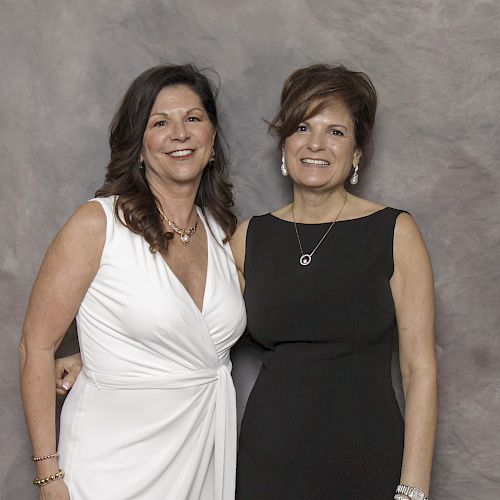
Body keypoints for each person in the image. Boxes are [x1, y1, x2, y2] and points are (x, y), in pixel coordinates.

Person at [19, 64, 246, 500]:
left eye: (193, 119)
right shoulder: (96, 223)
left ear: (212, 141)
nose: (180, 133)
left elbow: (188, 342)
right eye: (160, 122)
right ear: (139, 147)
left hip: (201, 452)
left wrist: (95, 355)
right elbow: (36, 347)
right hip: (111, 463)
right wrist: (50, 477)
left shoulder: (222, 233)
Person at [231, 64, 438, 499]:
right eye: (302, 127)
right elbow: (191, 330)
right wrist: (96, 355)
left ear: (358, 153)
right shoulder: (250, 237)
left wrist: (413, 489)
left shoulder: (395, 232)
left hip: (367, 463)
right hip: (268, 464)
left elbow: (419, 370)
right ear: (284, 145)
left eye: (336, 132)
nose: (316, 144)